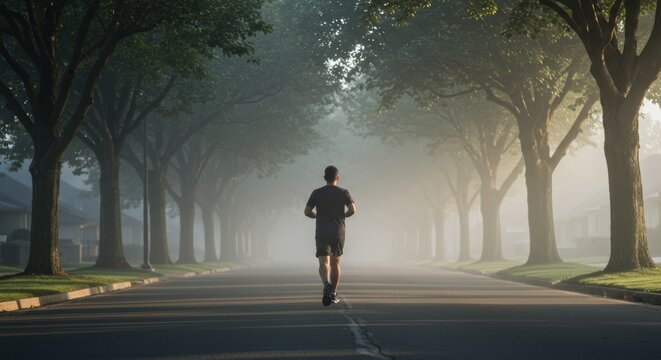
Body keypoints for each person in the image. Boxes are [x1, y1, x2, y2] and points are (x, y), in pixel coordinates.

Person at [304, 165, 356, 306]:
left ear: (324, 178)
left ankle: (326, 284)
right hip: (337, 231)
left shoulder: (317, 193)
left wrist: (316, 216)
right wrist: (342, 216)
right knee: (335, 262)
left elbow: (307, 211)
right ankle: (333, 292)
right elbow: (353, 210)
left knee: (323, 262)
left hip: (322, 231)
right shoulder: (344, 192)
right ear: (337, 178)